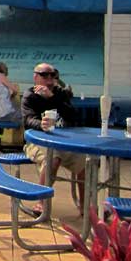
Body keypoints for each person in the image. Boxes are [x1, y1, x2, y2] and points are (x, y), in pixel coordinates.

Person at [22, 62, 85, 216]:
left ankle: (85, 205)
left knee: (84, 161)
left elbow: (74, 116)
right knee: (53, 158)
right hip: (37, 142)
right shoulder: (30, 96)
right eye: (44, 75)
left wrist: (52, 98)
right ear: (35, 77)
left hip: (64, 142)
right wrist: (41, 124)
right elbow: (27, 120)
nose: (49, 78)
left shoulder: (61, 94)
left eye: (52, 75)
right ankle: (41, 202)